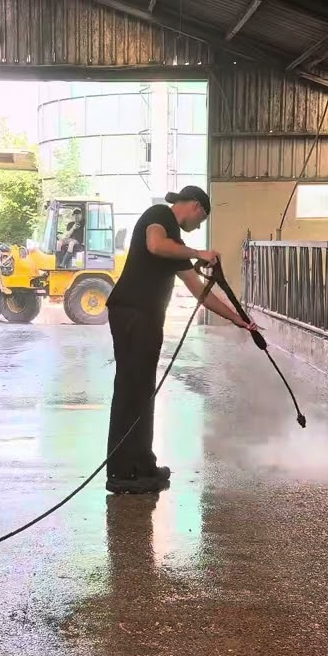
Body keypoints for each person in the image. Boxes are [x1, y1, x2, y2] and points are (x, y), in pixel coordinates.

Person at [104, 186, 259, 495]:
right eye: (201, 219)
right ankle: (122, 471)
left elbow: (201, 292)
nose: (198, 226)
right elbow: (155, 245)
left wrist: (238, 319)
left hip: (146, 319)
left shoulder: (176, 245)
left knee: (143, 391)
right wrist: (199, 253)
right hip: (132, 315)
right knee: (131, 390)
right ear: (195, 206)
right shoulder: (159, 216)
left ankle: (142, 464)